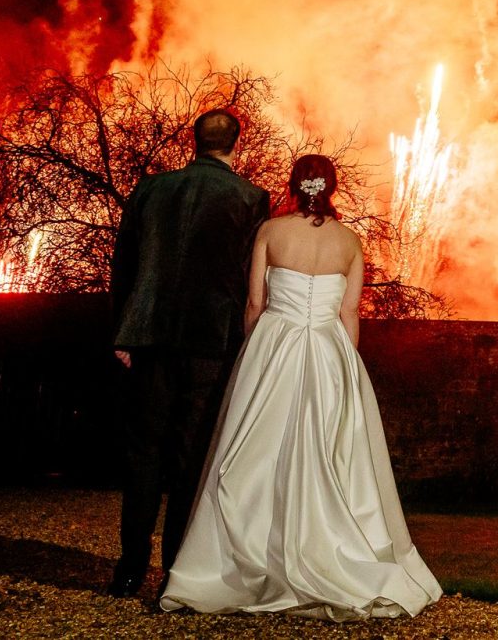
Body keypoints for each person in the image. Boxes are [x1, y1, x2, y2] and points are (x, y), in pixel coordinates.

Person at [159, 154, 442, 620]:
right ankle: (333, 551)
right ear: (332, 188)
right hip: (330, 352)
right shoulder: (350, 242)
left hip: (275, 344)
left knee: (256, 449)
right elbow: (349, 313)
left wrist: (254, 354)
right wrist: (348, 365)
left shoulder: (270, 232)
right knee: (329, 451)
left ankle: (243, 560)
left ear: (294, 186)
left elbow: (255, 302)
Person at [107, 108, 271, 598]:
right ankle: (176, 569)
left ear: (194, 141)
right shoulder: (249, 198)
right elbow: (250, 279)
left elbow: (125, 265)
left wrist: (122, 332)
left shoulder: (151, 188)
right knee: (190, 457)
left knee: (143, 454)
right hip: (210, 341)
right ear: (235, 144)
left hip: (150, 336)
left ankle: (129, 569)